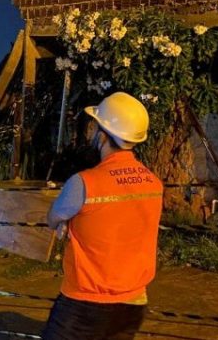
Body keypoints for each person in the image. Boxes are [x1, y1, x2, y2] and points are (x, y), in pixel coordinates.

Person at [42, 92, 163, 340]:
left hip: (85, 303)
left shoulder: (84, 182)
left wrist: (66, 222)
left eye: (96, 127)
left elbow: (53, 218)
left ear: (103, 135)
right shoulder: (153, 183)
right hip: (134, 302)